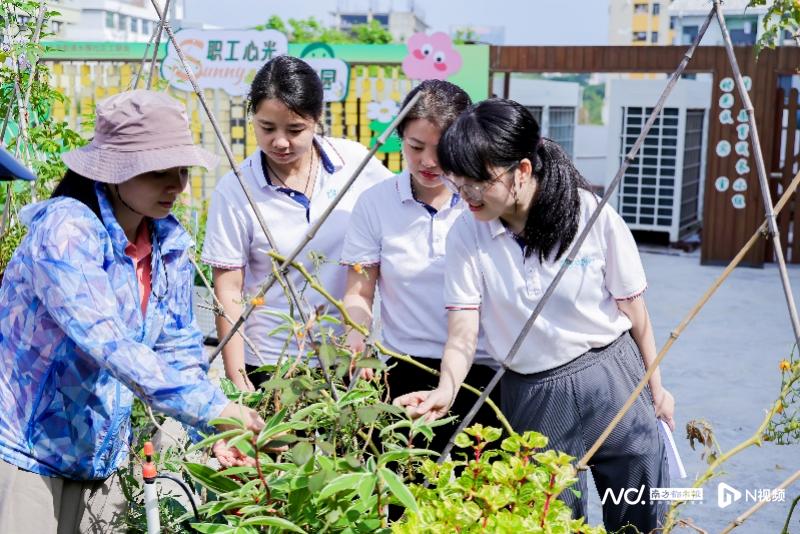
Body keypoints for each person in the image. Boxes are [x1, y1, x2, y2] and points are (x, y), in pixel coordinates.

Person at [396, 98, 674, 532]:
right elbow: (463, 333)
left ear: (522, 169)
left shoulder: (590, 215)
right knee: (549, 516)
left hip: (613, 378)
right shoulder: (467, 234)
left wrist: (656, 388)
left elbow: (635, 312)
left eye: (478, 183)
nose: (466, 196)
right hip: (534, 394)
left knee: (637, 508)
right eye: (458, 183)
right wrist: (445, 390)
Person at [0, 90, 264, 533]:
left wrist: (214, 433)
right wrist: (217, 409)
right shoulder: (66, 231)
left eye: (182, 170)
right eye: (158, 172)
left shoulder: (168, 244)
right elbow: (111, 345)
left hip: (99, 456)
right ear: (113, 171)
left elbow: (179, 350)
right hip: (25, 453)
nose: (176, 185)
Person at [202, 55, 393, 391]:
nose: (280, 142)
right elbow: (228, 289)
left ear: (317, 119)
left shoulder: (354, 164)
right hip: (271, 363)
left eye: (295, 130)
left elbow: (399, 212)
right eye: (267, 128)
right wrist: (238, 378)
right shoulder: (236, 190)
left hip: (348, 357)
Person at [340, 79, 501, 452]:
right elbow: (359, 292)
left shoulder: (485, 202)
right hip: (404, 369)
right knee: (400, 479)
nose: (428, 161)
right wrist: (357, 343)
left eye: (441, 149)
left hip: (483, 370)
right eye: (416, 147)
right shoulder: (376, 203)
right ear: (399, 139)